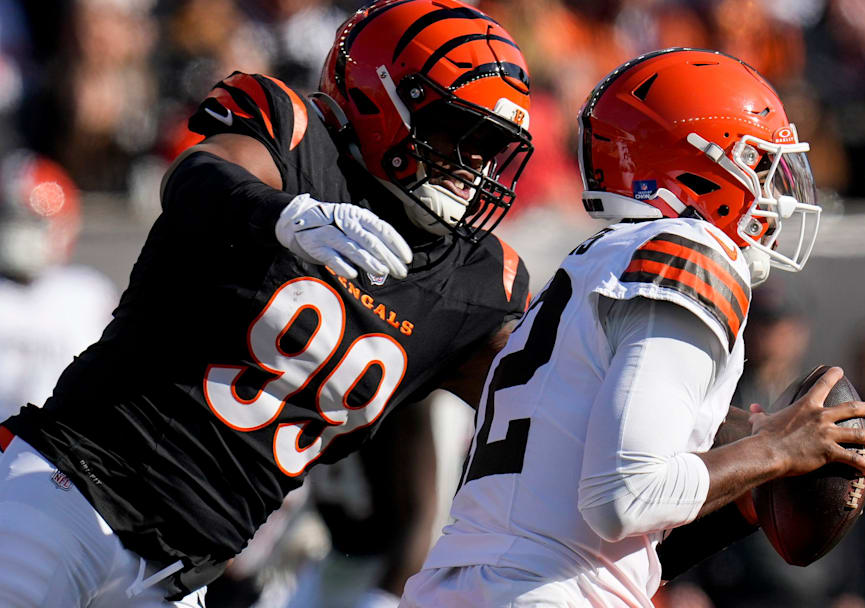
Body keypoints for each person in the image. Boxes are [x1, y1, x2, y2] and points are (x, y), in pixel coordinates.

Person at [401, 48, 865, 607]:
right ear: (699, 164)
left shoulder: (597, 263)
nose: (775, 191)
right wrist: (777, 450)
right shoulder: (688, 252)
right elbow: (626, 498)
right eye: (759, 162)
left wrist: (824, 456)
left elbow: (620, 533)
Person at [0, 1, 536, 605]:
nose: (475, 164)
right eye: (456, 130)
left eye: (492, 145)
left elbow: (542, 415)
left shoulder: (475, 283)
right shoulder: (294, 137)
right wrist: (285, 216)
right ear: (380, 99)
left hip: (181, 577)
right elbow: (198, 177)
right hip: (69, 493)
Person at [0, 149, 116, 423]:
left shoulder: (89, 295)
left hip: (63, 448)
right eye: (9, 220)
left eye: (31, 222)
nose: (18, 234)